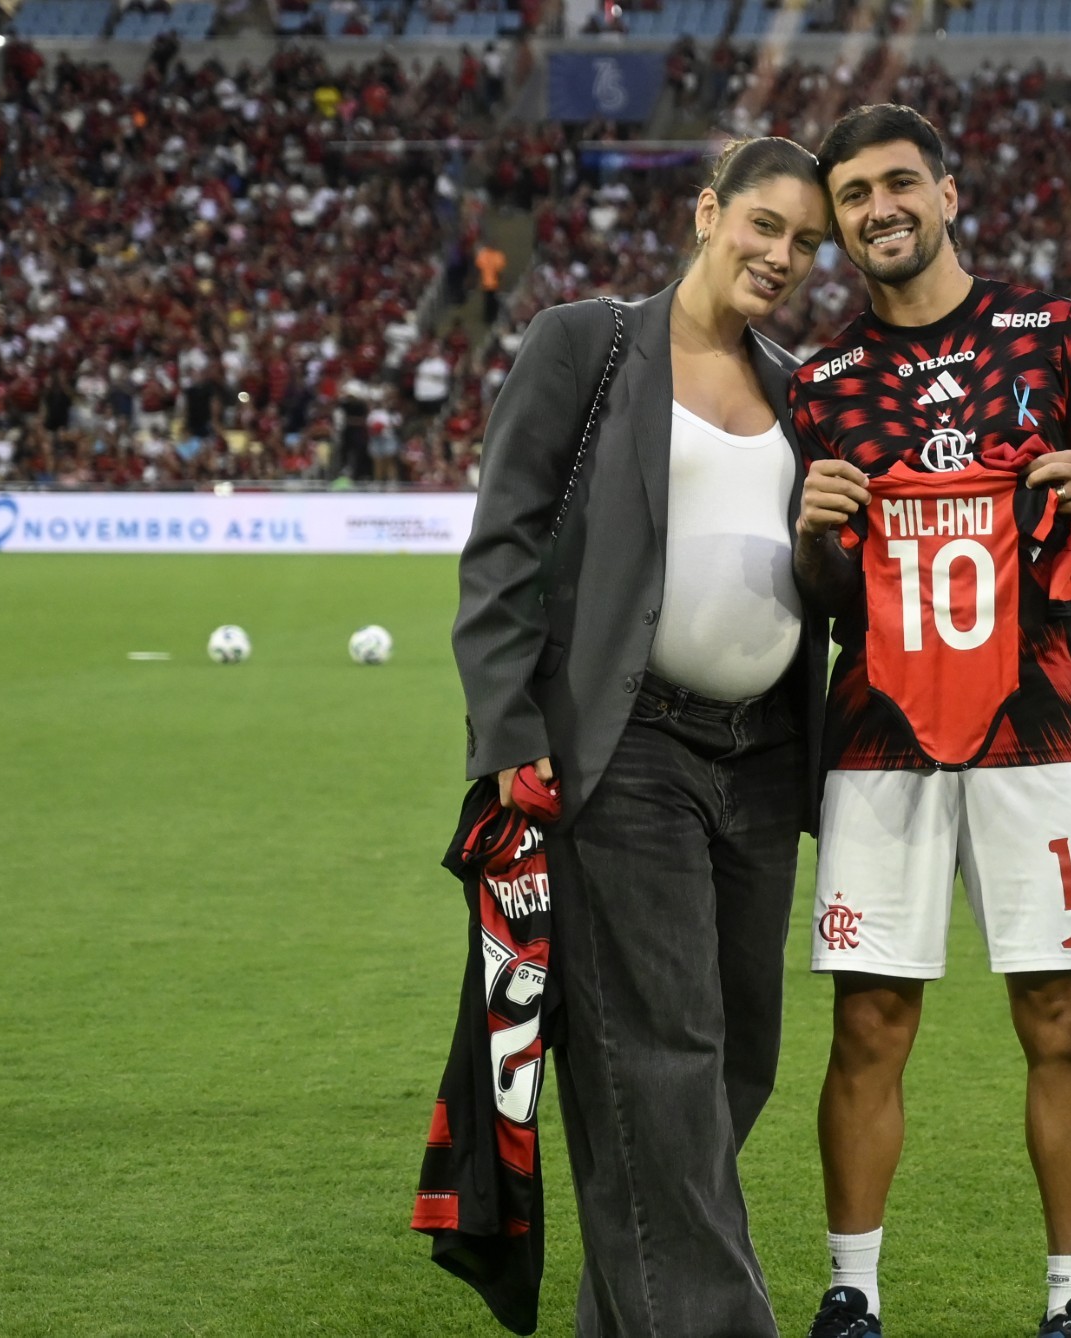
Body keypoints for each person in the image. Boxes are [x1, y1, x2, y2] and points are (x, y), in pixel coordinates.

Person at [788, 105, 1071, 1338]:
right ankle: (852, 1296)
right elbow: (824, 596)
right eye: (853, 195)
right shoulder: (827, 383)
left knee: (1064, 1015)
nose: (878, 209)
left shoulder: (1048, 335)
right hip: (879, 735)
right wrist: (812, 535)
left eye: (899, 183)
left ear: (948, 193)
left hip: (1039, 725)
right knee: (869, 1022)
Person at [451, 137, 831, 1338]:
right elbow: (504, 542)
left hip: (764, 759)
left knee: (733, 1065)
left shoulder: (798, 384)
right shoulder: (588, 341)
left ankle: (623, 1319)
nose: (782, 256)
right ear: (711, 212)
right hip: (628, 752)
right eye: (765, 225)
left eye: (806, 243)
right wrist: (509, 729)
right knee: (663, 1059)